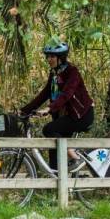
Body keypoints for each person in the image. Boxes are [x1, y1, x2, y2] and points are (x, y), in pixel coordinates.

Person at [20, 41, 94, 169]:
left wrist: (49, 108)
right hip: (66, 116)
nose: (49, 59)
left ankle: (74, 156)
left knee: (49, 129)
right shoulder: (54, 74)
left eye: (52, 56)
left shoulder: (72, 72)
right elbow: (44, 94)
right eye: (48, 56)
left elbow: (67, 94)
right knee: (53, 145)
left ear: (61, 58)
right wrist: (24, 111)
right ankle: (55, 179)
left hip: (81, 115)